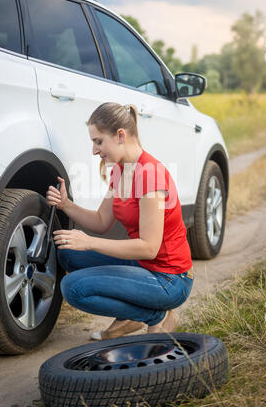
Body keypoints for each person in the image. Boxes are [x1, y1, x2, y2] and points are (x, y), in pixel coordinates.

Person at [46, 102, 194, 340]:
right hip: (143, 266)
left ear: (120, 135)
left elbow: (149, 247)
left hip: (169, 278)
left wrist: (90, 242)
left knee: (72, 288)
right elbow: (102, 221)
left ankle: (157, 315)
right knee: (67, 253)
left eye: (98, 141)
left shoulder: (150, 176)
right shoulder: (120, 170)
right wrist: (66, 205)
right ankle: (130, 315)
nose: (95, 150)